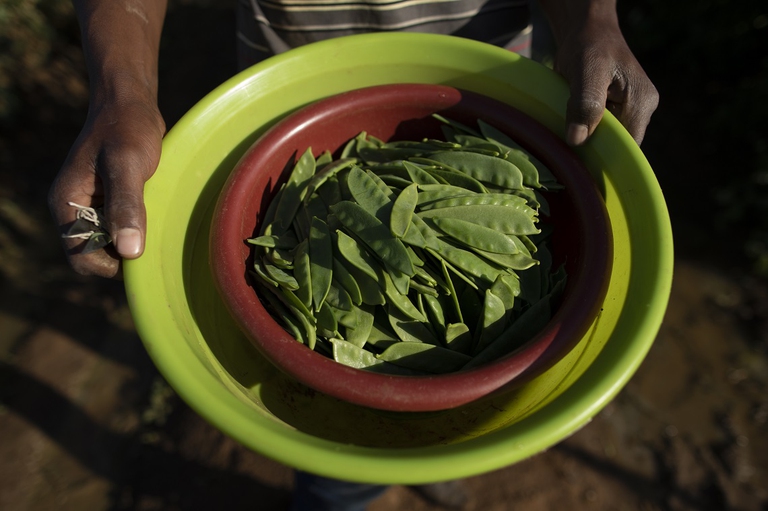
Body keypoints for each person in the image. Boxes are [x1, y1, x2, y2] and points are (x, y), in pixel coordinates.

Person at [48, 1, 658, 509]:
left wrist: (590, 19)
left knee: (459, 416)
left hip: (485, 63)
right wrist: (119, 93)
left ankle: (429, 460)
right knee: (342, 459)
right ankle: (344, 490)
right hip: (284, 80)